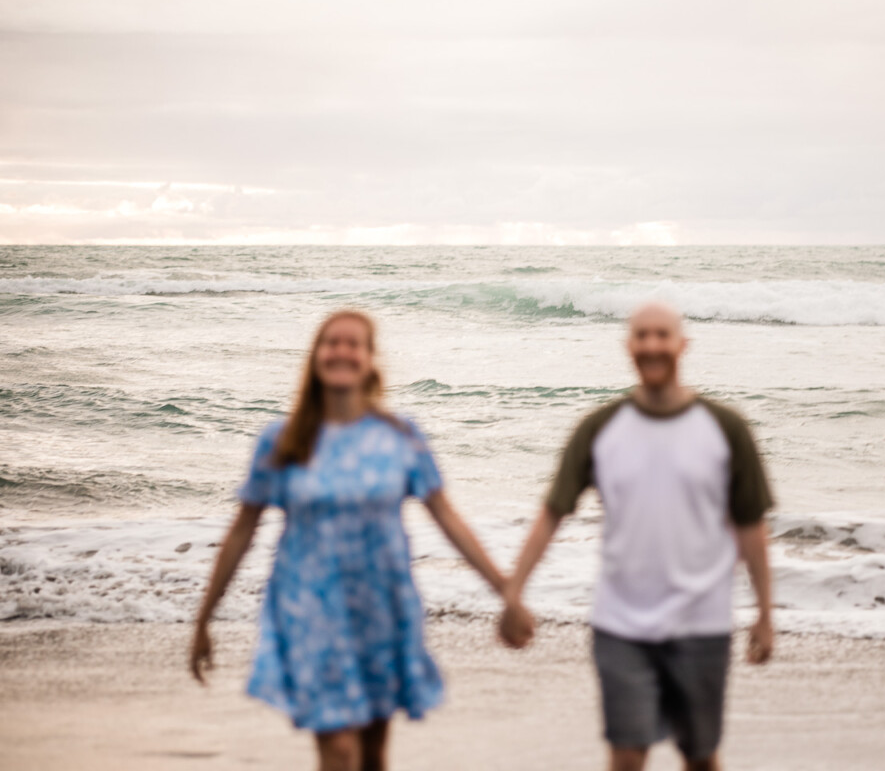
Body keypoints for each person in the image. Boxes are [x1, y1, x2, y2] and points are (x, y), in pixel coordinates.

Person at [190, 309, 509, 771]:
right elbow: (242, 529)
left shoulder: (401, 436)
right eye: (331, 342)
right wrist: (204, 617)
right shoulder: (282, 441)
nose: (341, 351)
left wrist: (506, 590)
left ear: (370, 360)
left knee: (375, 753)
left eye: (353, 343)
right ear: (315, 357)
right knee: (340, 751)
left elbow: (447, 519)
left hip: (381, 607)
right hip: (310, 610)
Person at [498, 301, 775, 771]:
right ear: (628, 346)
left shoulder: (725, 428)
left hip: (701, 624)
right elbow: (552, 513)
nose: (651, 345)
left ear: (682, 344)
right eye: (641, 336)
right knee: (626, 756)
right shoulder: (601, 428)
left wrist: (765, 614)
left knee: (701, 756)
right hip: (620, 625)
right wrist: (513, 592)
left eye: (661, 335)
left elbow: (751, 526)